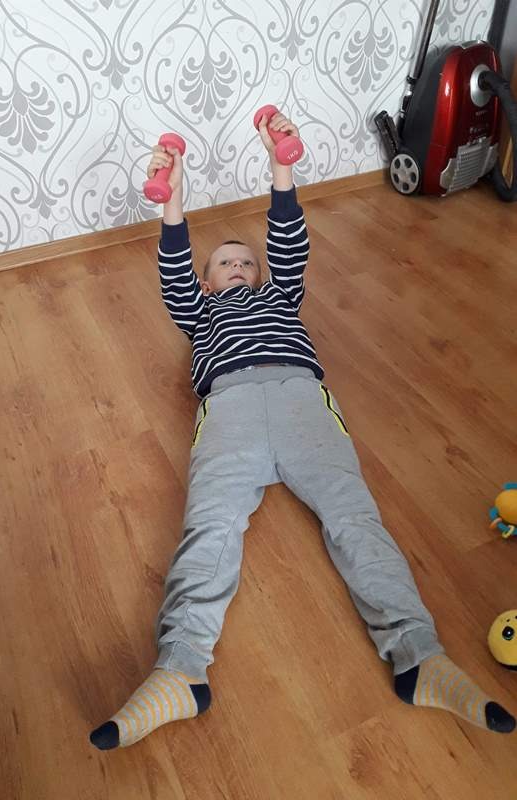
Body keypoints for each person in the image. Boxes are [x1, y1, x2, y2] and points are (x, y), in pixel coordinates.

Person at [90, 113, 515, 749]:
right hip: (229, 407)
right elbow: (174, 272)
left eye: (247, 261)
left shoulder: (280, 297)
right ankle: (180, 669)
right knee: (209, 526)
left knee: (356, 519)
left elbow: (289, 243)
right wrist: (171, 203)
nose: (239, 266)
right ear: (207, 282)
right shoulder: (198, 312)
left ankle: (419, 656)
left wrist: (281, 167)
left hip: (301, 400)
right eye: (225, 263)